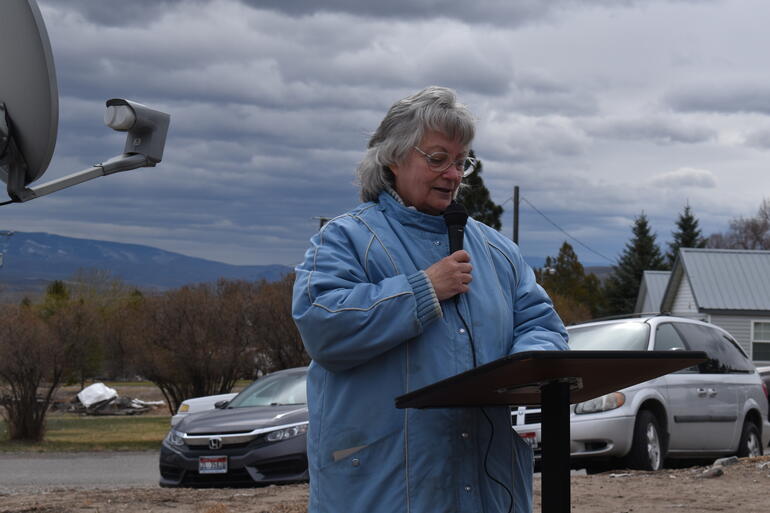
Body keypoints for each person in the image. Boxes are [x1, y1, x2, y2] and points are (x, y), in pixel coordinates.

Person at [292, 86, 568, 513]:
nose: (454, 175)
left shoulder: (497, 251)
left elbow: (541, 326)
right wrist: (423, 290)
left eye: (462, 162)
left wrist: (525, 367)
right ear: (393, 158)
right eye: (438, 159)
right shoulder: (347, 238)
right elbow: (322, 325)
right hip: (383, 489)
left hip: (488, 488)